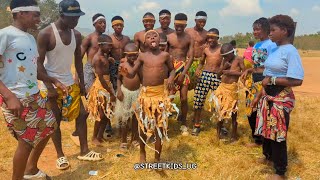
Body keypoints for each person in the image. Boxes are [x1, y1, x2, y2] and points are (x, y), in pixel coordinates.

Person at [37, 0, 102, 170]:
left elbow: (78, 61)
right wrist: (49, 87)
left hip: (69, 83)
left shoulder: (77, 35)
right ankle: (60, 155)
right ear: (61, 15)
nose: (76, 20)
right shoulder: (46, 34)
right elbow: (38, 64)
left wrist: (80, 81)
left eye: (78, 17)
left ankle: (84, 150)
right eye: (72, 17)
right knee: (55, 120)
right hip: (51, 85)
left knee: (81, 114)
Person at [0, 0, 56, 179]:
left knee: (50, 126)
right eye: (35, 15)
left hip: (33, 94)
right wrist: (8, 97)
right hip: (15, 96)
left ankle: (31, 169)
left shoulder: (30, 37)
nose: (39, 19)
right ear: (21, 13)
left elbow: (32, 68)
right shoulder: (5, 35)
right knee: (26, 141)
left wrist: (50, 79)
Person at [251, 15, 304, 179]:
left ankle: (280, 171)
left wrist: (273, 80)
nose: (270, 33)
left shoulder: (290, 51)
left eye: (273, 30)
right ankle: (268, 157)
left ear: (284, 31)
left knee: (278, 133)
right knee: (267, 130)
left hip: (280, 97)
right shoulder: (275, 49)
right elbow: (267, 75)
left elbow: (297, 80)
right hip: (268, 96)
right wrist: (258, 96)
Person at [119, 30, 176, 162]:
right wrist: (125, 72)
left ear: (159, 39)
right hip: (146, 95)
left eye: (154, 36)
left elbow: (172, 70)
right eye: (149, 37)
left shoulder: (165, 55)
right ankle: (142, 153)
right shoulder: (142, 56)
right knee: (143, 125)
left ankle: (157, 158)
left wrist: (171, 78)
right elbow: (132, 73)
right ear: (145, 42)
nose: (152, 38)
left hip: (160, 95)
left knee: (159, 126)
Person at [240, 17, 277, 147]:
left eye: (257, 29)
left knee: (262, 110)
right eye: (254, 29)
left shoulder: (272, 45)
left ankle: (263, 139)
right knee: (251, 109)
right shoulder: (256, 45)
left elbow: (272, 66)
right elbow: (255, 64)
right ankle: (257, 138)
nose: (255, 32)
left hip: (264, 81)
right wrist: (248, 71)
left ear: (266, 30)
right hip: (253, 81)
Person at [210, 43, 245, 141]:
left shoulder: (239, 59)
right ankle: (218, 135)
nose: (225, 57)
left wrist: (232, 72)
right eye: (223, 56)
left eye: (226, 55)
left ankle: (234, 136)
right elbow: (218, 75)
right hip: (222, 88)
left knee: (233, 113)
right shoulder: (224, 60)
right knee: (220, 112)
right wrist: (223, 67)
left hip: (232, 89)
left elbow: (244, 73)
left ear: (232, 52)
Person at [167, 13, 194, 135]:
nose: (179, 27)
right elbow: (165, 55)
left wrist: (183, 74)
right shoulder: (169, 37)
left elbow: (191, 57)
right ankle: (165, 122)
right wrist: (170, 74)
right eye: (177, 25)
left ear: (185, 25)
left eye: (181, 25)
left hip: (183, 68)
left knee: (184, 98)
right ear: (174, 24)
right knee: (169, 97)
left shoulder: (189, 38)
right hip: (171, 68)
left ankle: (183, 123)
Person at [87, 34, 116, 147]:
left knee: (106, 114)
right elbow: (100, 78)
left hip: (107, 85)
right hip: (101, 87)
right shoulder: (97, 59)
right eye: (109, 46)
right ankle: (94, 137)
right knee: (101, 114)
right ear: (100, 45)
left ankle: (99, 136)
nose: (110, 48)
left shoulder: (104, 56)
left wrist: (109, 59)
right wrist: (110, 93)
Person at [192, 28, 222, 136]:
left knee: (219, 103)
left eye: (212, 37)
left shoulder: (222, 49)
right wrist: (198, 69)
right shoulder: (205, 49)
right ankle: (196, 125)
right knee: (198, 101)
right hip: (204, 75)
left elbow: (226, 62)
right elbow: (201, 62)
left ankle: (220, 126)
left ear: (217, 38)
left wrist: (221, 73)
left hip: (217, 77)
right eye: (208, 37)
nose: (210, 40)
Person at [114, 43, 141, 150]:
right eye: (129, 55)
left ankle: (134, 139)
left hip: (136, 94)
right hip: (125, 93)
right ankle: (124, 140)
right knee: (125, 118)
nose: (132, 57)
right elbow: (119, 79)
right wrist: (119, 91)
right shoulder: (123, 66)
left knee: (135, 118)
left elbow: (142, 79)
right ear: (125, 55)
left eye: (135, 55)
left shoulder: (139, 66)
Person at [80, 13, 106, 93]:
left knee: (102, 96)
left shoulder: (106, 39)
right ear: (94, 24)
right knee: (90, 94)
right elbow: (79, 58)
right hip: (90, 70)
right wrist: (77, 77)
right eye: (100, 22)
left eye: (104, 23)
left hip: (103, 69)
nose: (103, 25)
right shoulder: (89, 38)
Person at [185, 11, 208, 90]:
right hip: (187, 61)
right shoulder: (187, 31)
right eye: (200, 22)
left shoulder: (206, 34)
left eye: (204, 22)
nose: (202, 24)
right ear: (195, 21)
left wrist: (205, 47)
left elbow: (209, 47)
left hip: (199, 62)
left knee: (199, 85)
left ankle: (196, 101)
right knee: (185, 83)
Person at [110, 16, 130, 90]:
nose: (119, 27)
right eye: (116, 25)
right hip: (113, 65)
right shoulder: (110, 38)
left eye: (121, 25)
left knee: (125, 84)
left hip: (124, 64)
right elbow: (105, 52)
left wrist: (125, 60)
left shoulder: (127, 39)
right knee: (114, 84)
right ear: (112, 26)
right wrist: (109, 58)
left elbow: (129, 52)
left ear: (123, 26)